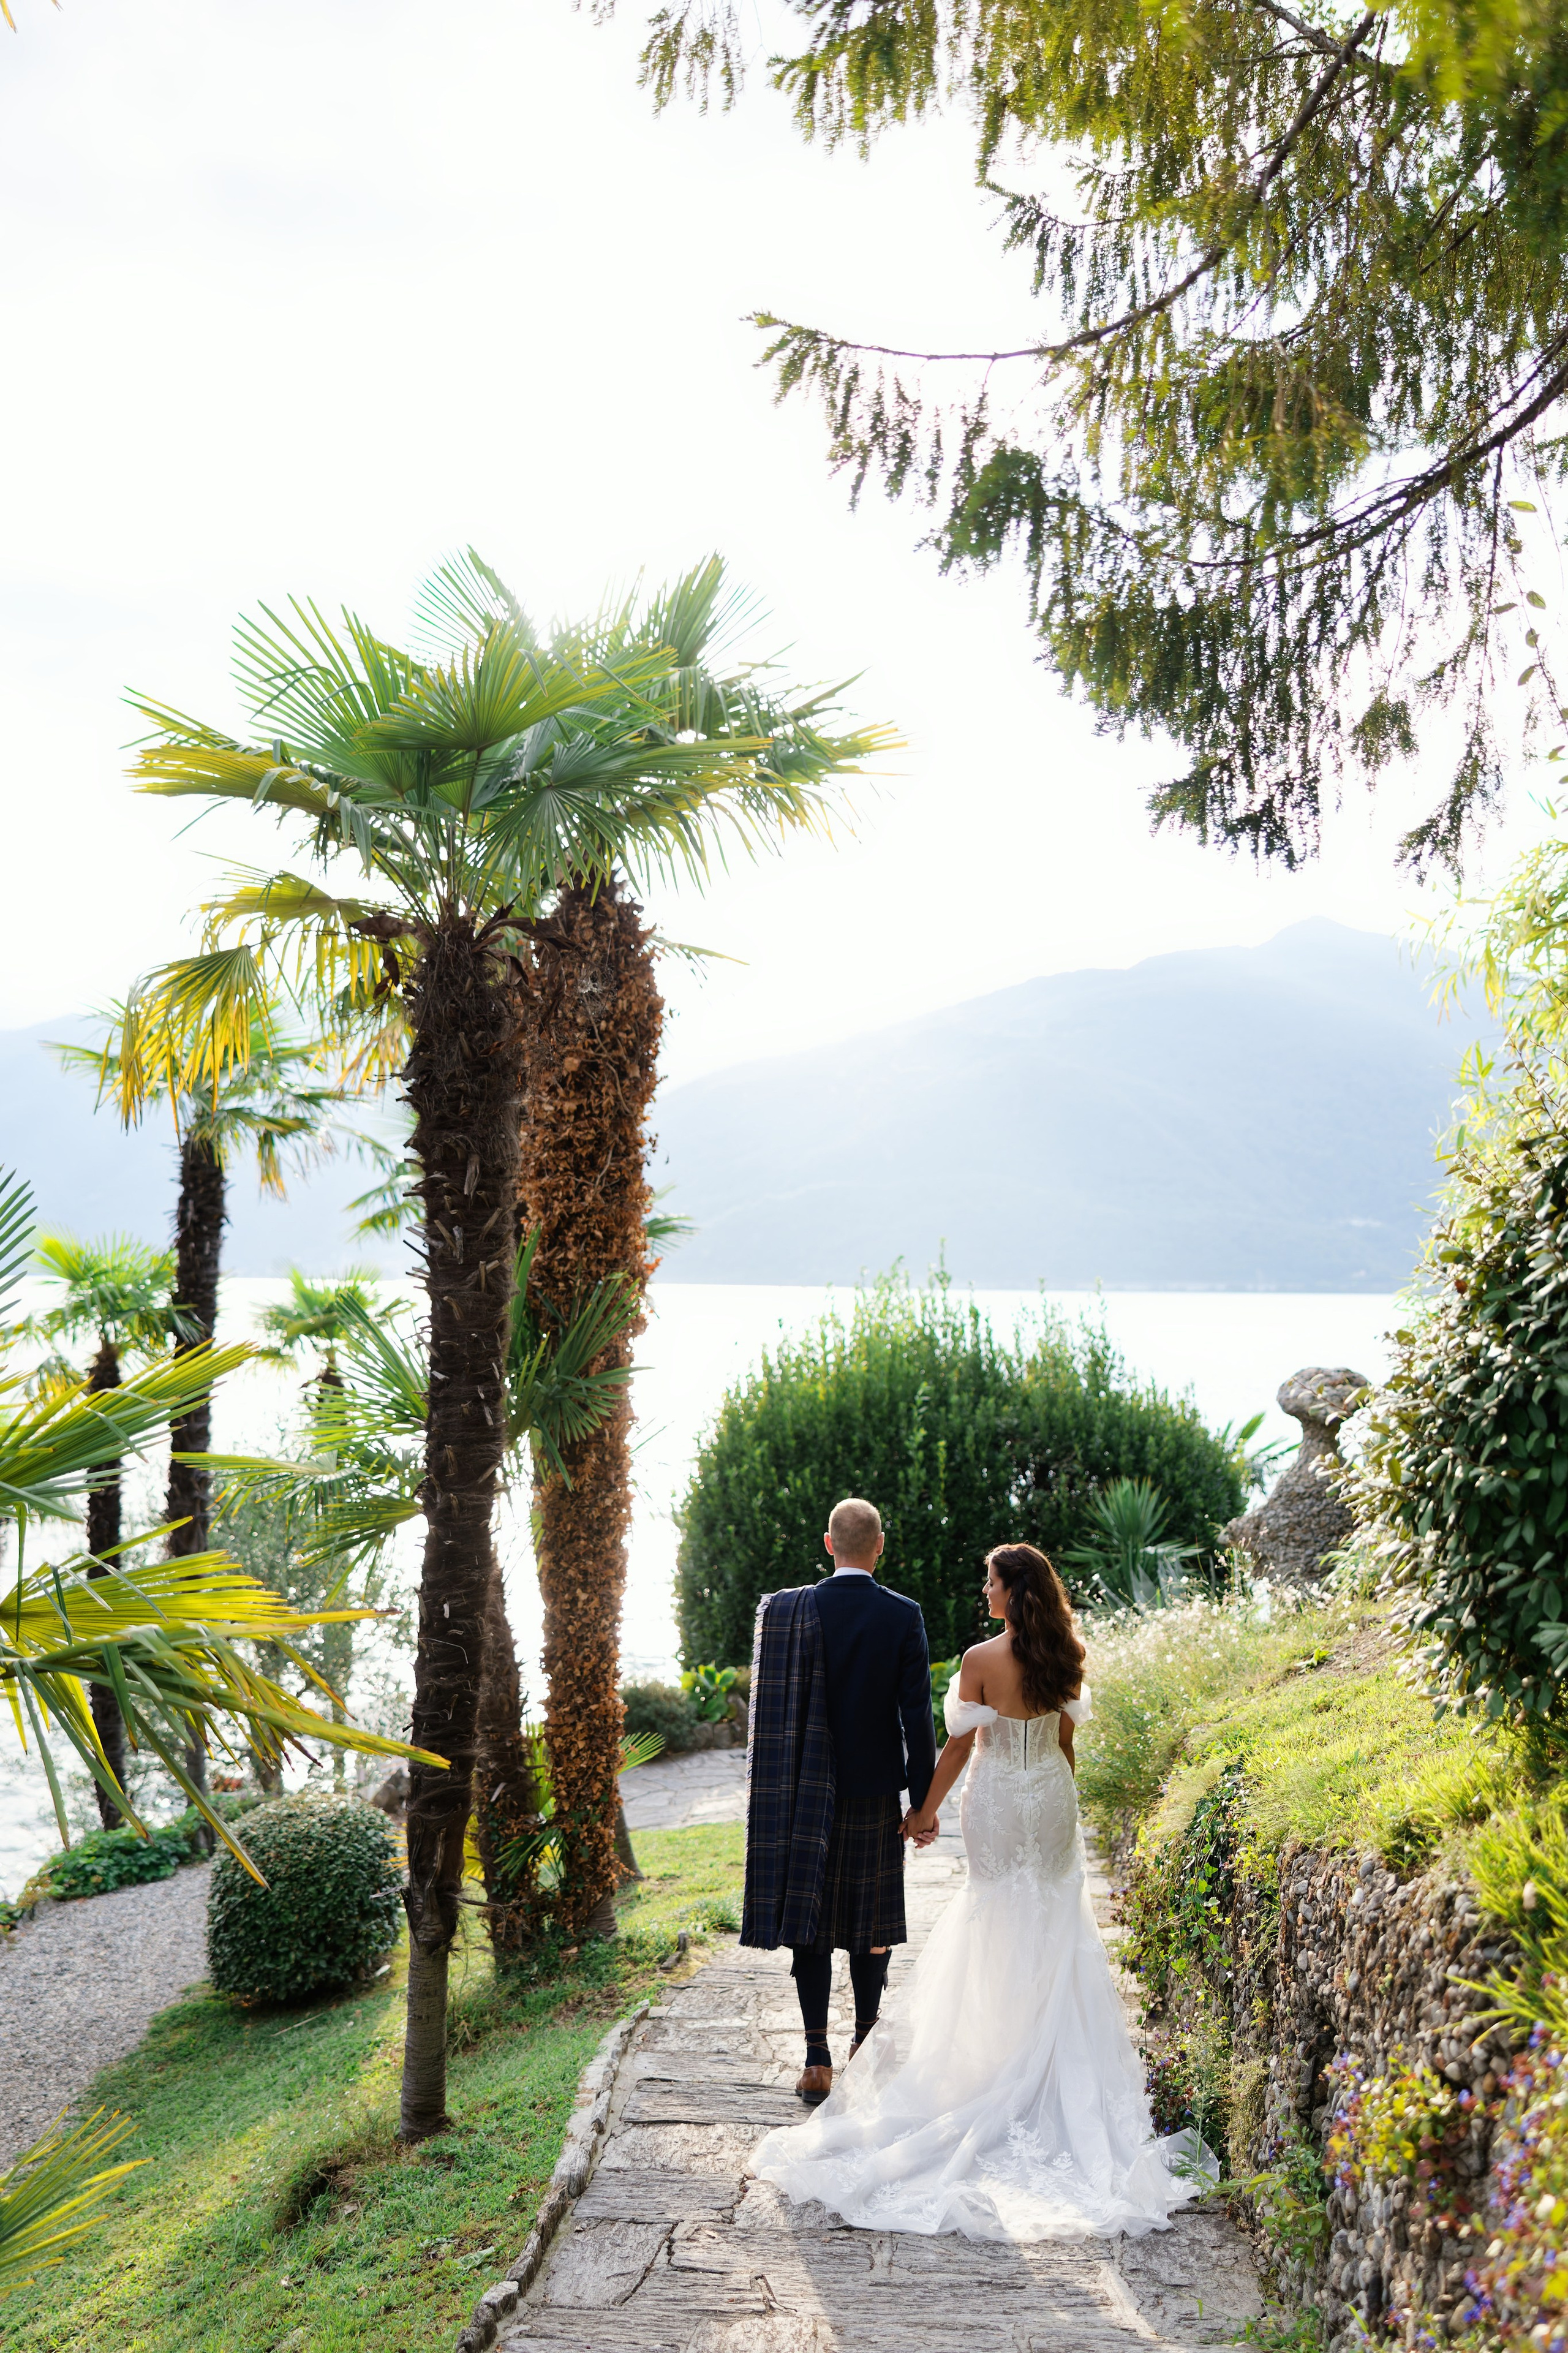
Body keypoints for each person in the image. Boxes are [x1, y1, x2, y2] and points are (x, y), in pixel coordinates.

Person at [749, 1541, 1214, 2239]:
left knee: (994, 1917)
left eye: (990, 1582)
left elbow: (962, 1747)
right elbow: (1064, 1744)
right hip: (1051, 1796)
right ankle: (1047, 2060)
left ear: (1010, 1590)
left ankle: (996, 2060)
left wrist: (923, 1811)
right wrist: (1063, 1801)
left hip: (998, 1797)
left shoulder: (979, 1660)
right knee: (1055, 1918)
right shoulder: (1068, 1654)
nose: (985, 1592)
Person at [741, 1495, 937, 2105]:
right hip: (875, 1796)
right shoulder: (902, 1615)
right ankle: (864, 2043)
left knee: (813, 1925)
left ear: (830, 1544)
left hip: (804, 1792)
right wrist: (921, 1803)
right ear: (879, 1546)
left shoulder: (788, 1612)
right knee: (871, 1926)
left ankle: (816, 2059)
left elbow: (768, 1718)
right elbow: (917, 1719)